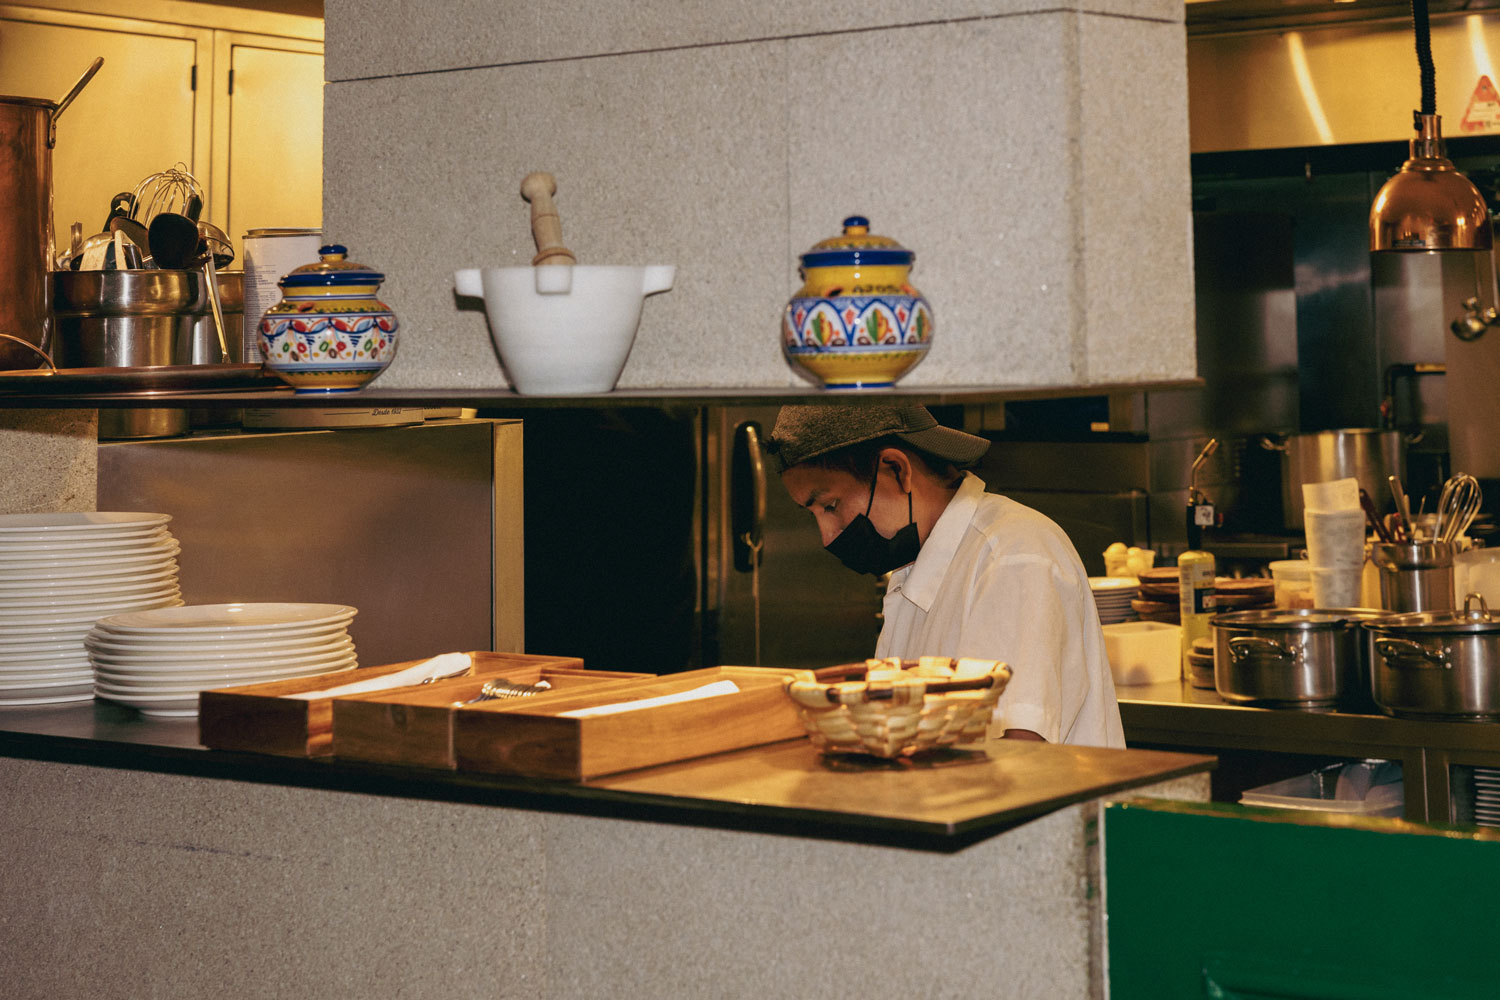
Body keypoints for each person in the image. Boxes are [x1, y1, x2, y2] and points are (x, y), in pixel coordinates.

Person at [768, 404, 1124, 748]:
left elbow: (1015, 750)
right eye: (812, 513)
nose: (827, 536)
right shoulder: (916, 564)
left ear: (896, 468)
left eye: (831, 506)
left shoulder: (1012, 556)